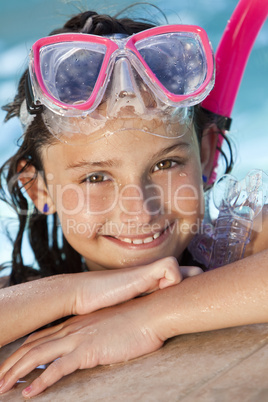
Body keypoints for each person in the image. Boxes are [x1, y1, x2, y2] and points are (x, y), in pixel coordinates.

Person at [0, 7, 267, 399]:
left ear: (207, 155)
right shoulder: (26, 295)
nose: (140, 209)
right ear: (37, 188)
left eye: (165, 163)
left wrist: (148, 317)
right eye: (95, 177)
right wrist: (77, 293)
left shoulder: (241, 240)